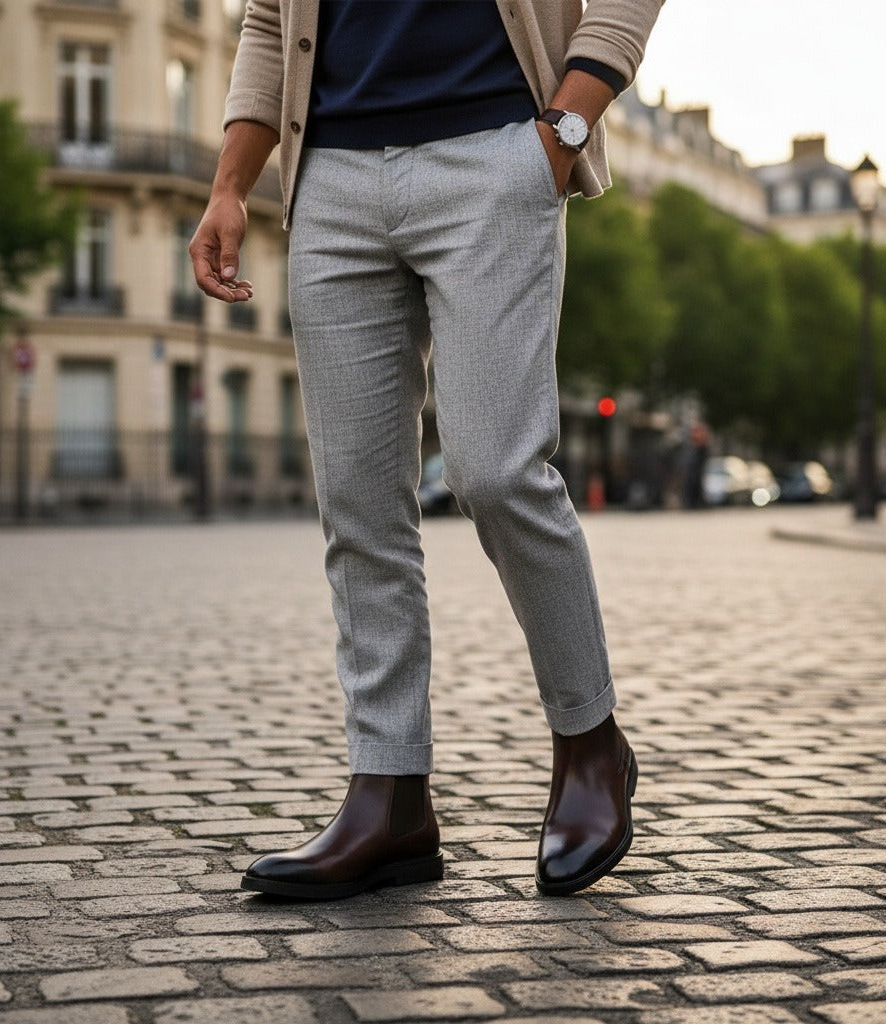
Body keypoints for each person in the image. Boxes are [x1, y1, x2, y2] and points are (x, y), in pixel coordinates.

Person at [191, 0, 664, 900]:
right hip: (327, 176)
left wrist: (563, 127)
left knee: (495, 470)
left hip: (496, 149)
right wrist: (229, 185)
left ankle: (590, 744)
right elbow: (265, 21)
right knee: (359, 504)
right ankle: (390, 796)